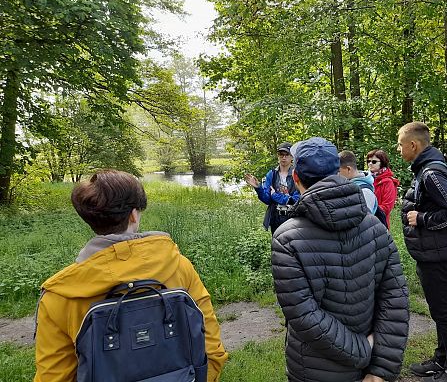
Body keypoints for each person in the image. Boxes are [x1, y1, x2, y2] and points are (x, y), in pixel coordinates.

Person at [34, 170, 228, 382]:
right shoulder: (179, 267)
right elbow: (210, 348)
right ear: (134, 215)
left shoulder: (60, 294)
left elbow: (54, 376)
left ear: (89, 220)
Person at [272, 137, 409, 382]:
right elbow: (396, 299)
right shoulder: (376, 227)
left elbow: (304, 316)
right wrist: (380, 368)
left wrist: (364, 353)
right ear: (338, 172)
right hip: (364, 363)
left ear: (295, 178)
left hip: (312, 369)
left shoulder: (287, 238)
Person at [398, 122, 447, 382]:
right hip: (434, 253)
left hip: (439, 255)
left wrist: (422, 218)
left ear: (413, 145)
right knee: (440, 311)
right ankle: (442, 360)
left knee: (444, 314)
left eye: (400, 143)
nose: (398, 148)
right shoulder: (426, 170)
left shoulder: (430, 174)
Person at [245, 142, 300, 233]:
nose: (284, 157)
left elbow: (296, 200)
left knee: (292, 245)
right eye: (281, 155)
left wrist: (275, 195)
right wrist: (258, 188)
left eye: (287, 155)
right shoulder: (272, 174)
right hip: (276, 217)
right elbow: (267, 200)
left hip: (292, 217)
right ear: (278, 156)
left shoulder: (297, 174)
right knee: (277, 245)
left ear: (292, 157)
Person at [366, 149, 400, 228]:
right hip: (364, 224)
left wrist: (367, 211)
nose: (370, 164)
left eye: (374, 162)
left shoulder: (388, 182)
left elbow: (387, 207)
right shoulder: (366, 179)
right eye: (368, 161)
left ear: (382, 163)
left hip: (380, 224)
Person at [339, 150, 379, 214]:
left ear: (349, 169)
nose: (336, 175)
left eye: (338, 171)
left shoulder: (365, 192)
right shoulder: (349, 185)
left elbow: (365, 220)